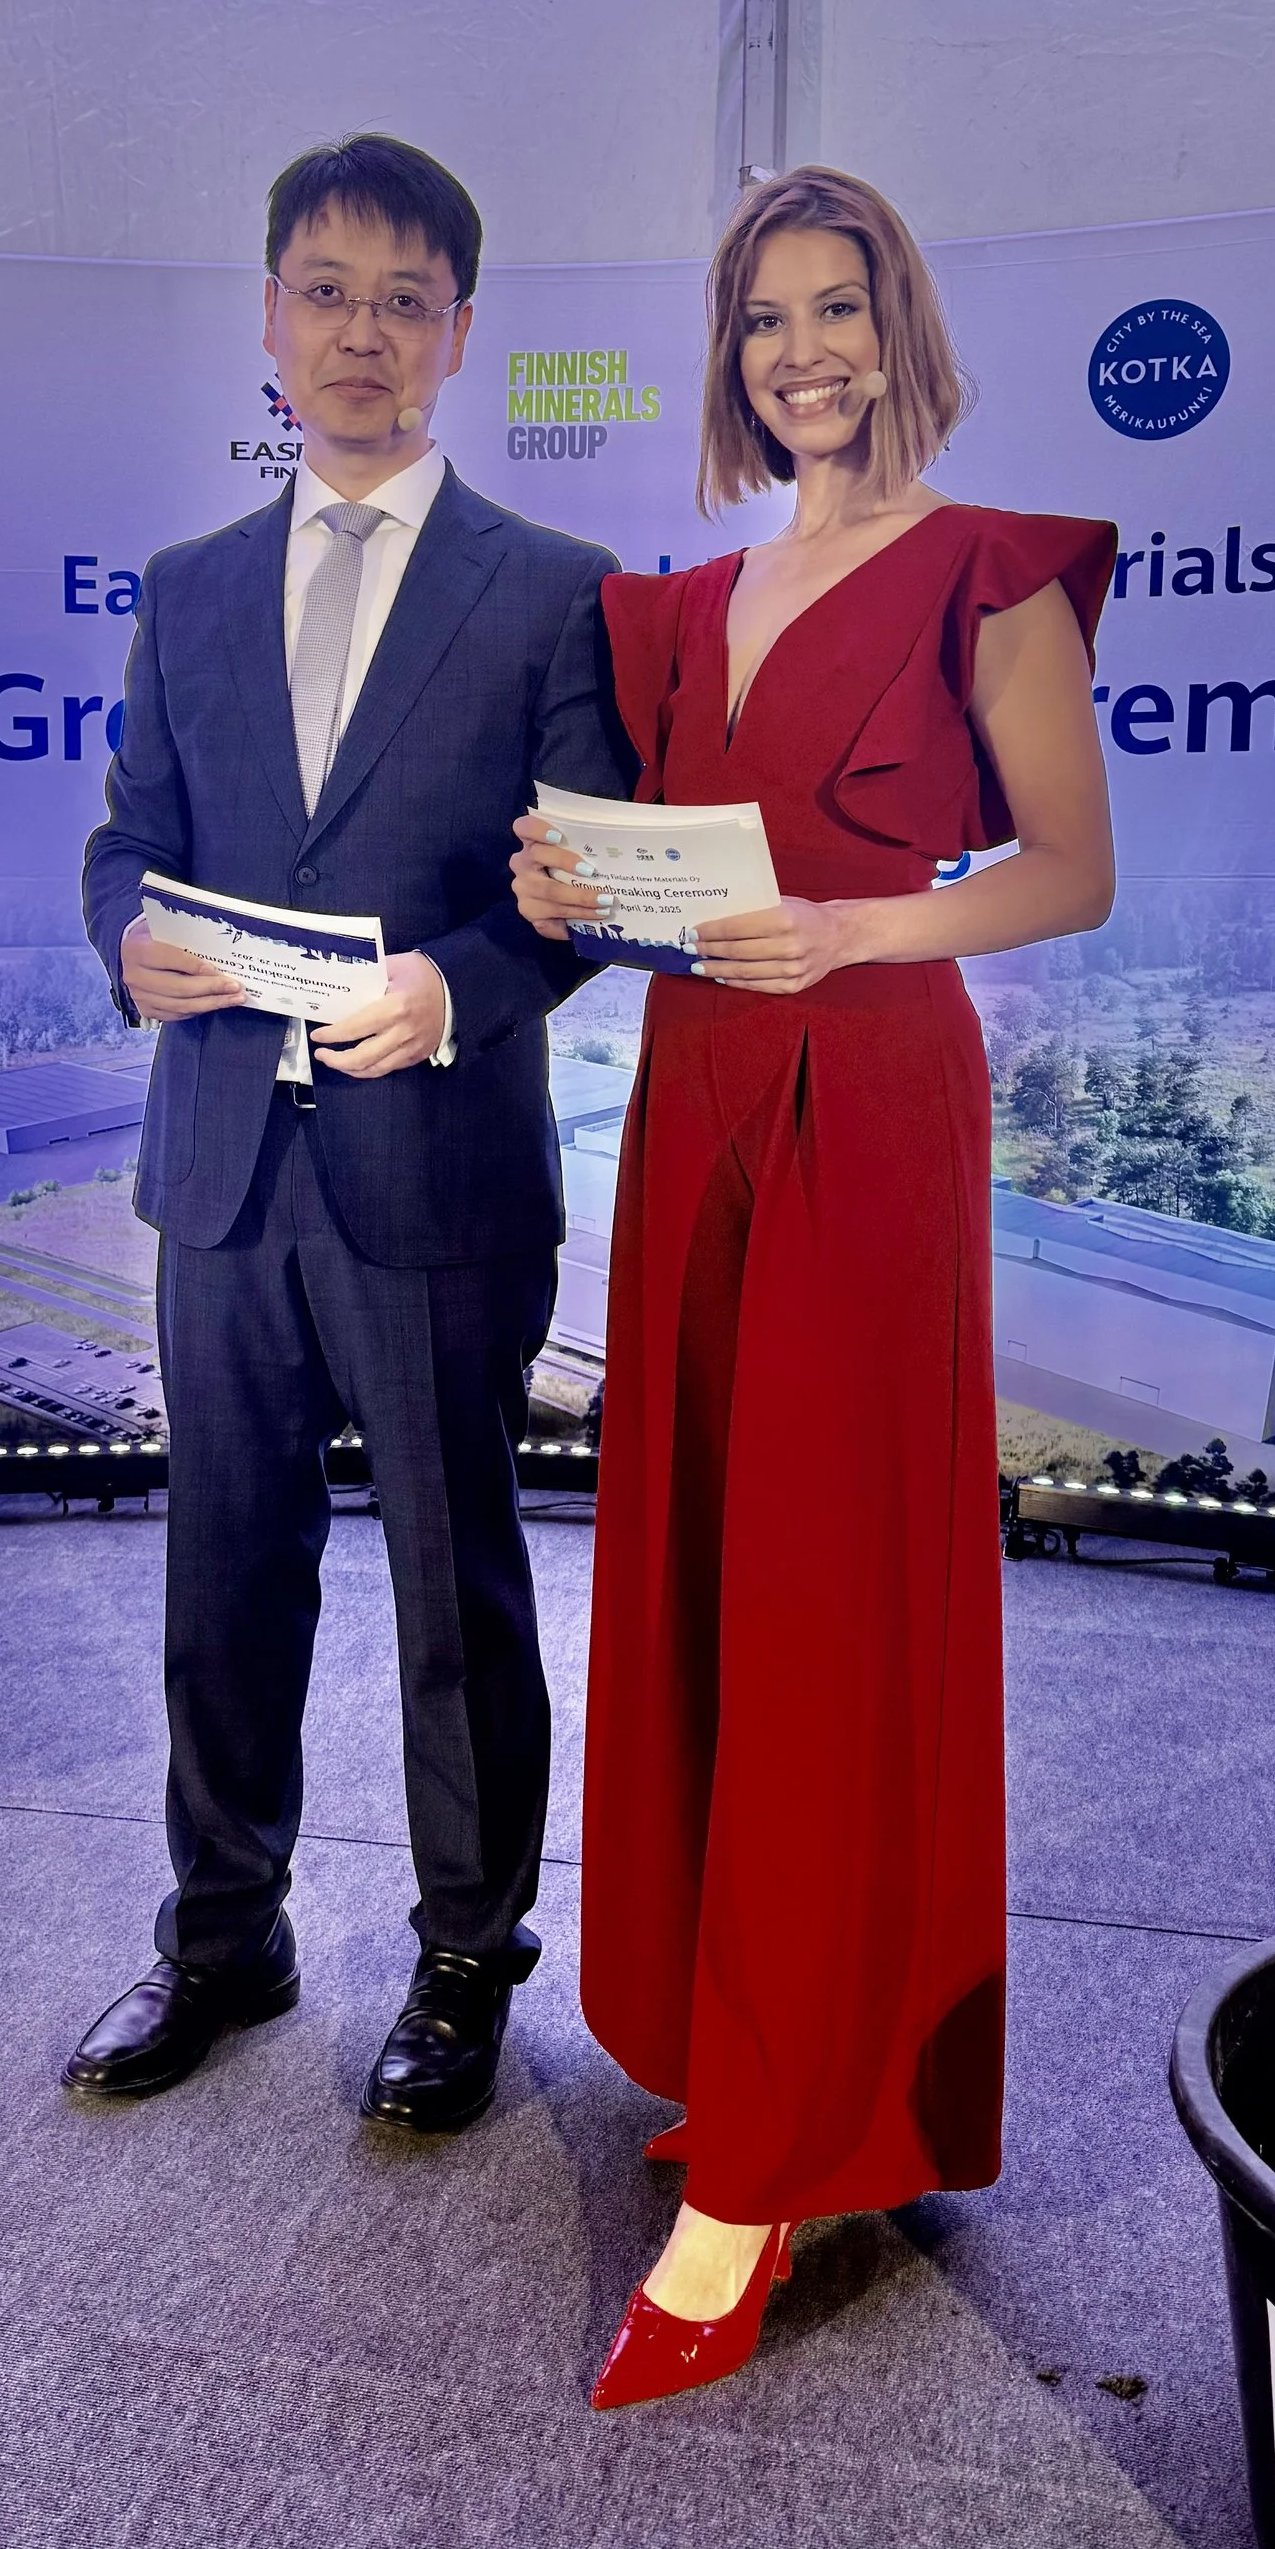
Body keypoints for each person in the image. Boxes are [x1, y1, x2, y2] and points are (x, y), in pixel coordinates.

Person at [511, 167, 1116, 2406]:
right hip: (694, 1105)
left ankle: (774, 2155)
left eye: (835, 307)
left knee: (823, 1610)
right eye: (764, 317)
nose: (801, 352)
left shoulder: (989, 572)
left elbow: (1069, 868)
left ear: (898, 323)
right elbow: (653, 890)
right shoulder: (676, 606)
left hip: (864, 1105)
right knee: (694, 1571)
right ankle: (757, 2056)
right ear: (728, 352)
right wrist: (565, 879)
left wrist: (851, 929)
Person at [66, 134, 631, 2133]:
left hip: (437, 1170)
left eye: (406, 299)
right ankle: (224, 1935)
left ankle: (466, 1961)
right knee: (222, 1572)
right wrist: (124, 934)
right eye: (327, 291)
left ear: (461, 334)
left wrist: (462, 986)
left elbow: (580, 892)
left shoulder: (556, 594)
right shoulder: (185, 592)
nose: (363, 333)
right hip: (219, 1168)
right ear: (269, 324)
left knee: (452, 1595)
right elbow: (128, 837)